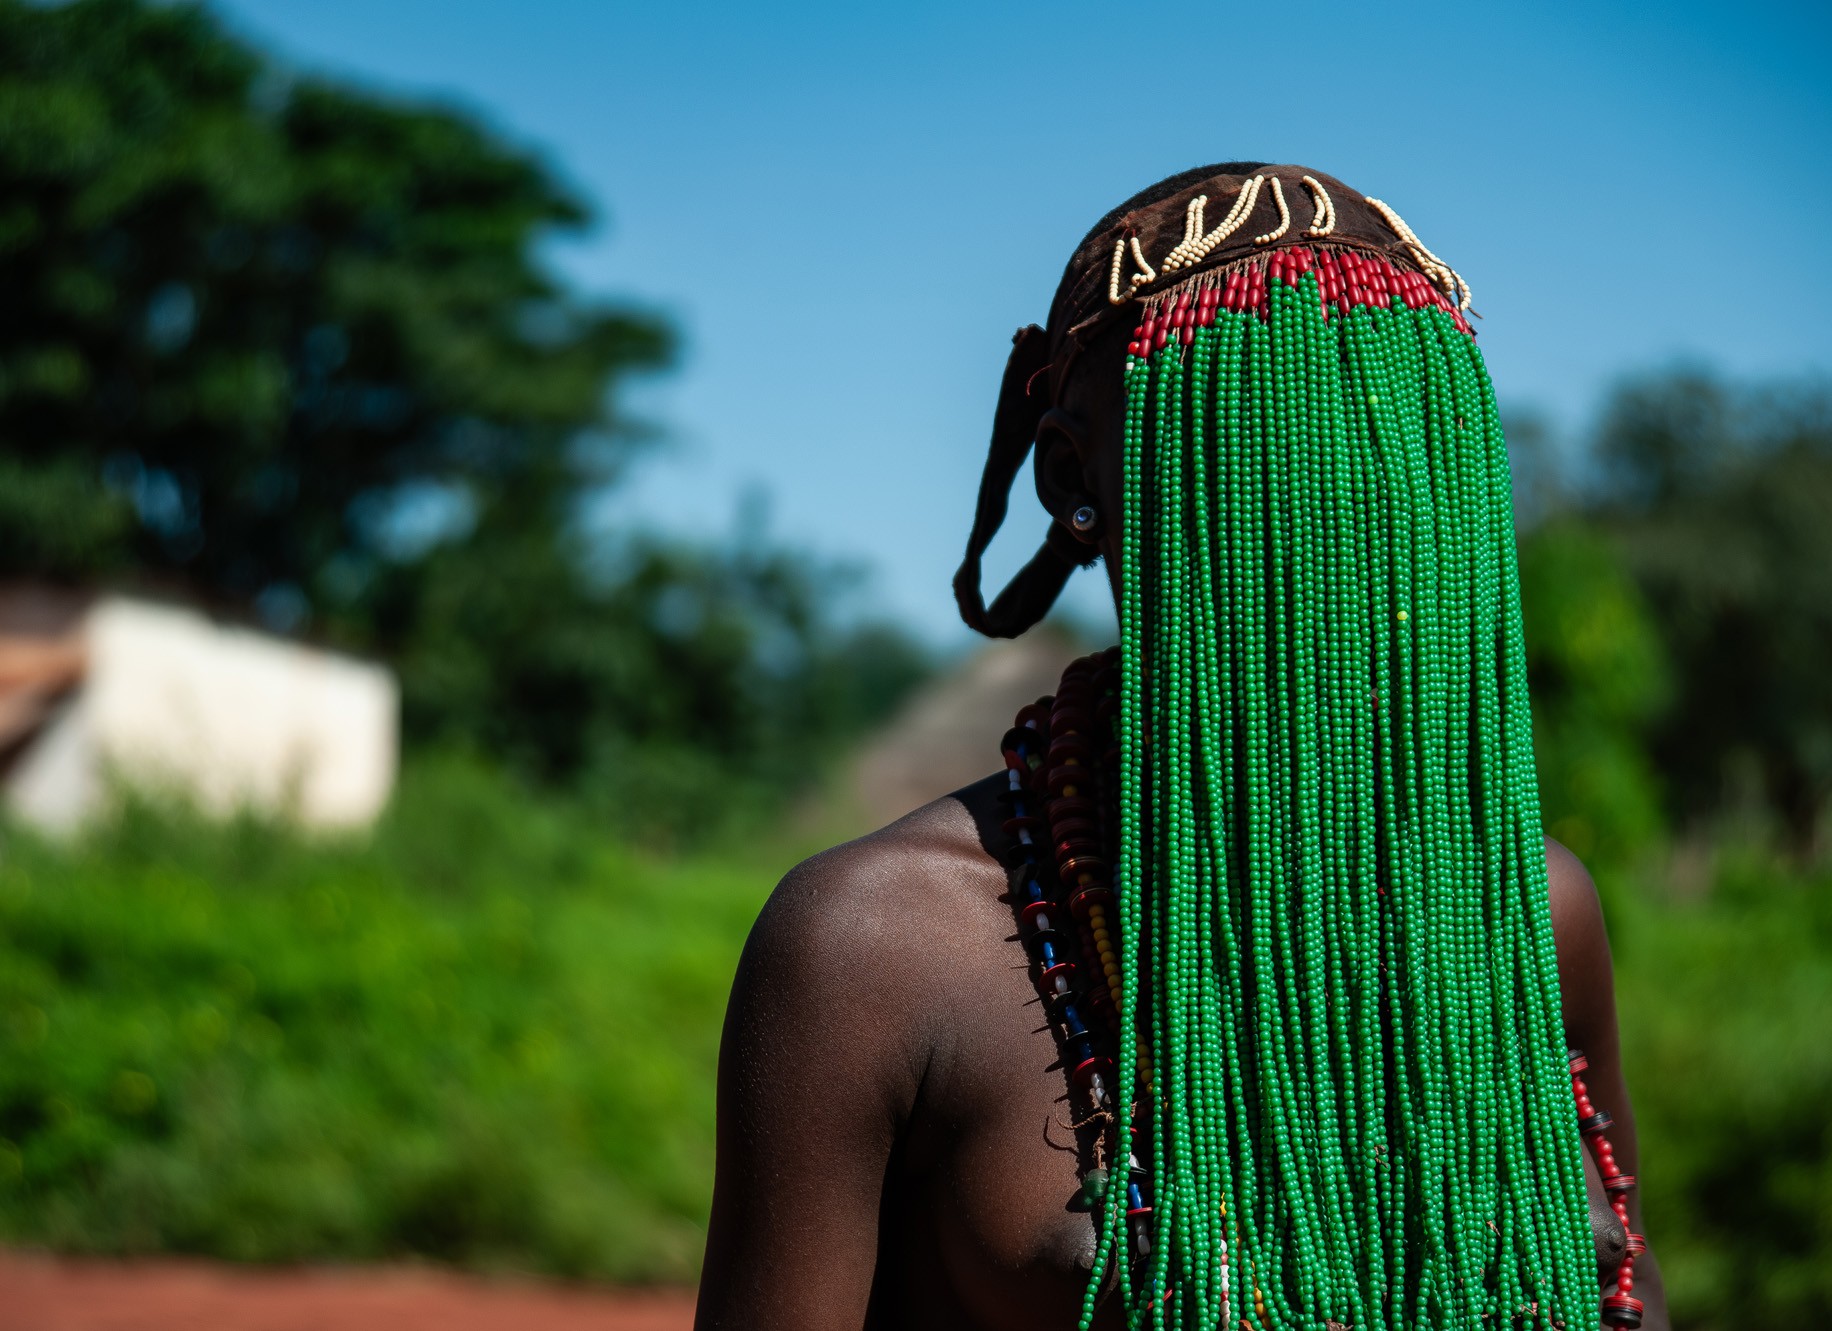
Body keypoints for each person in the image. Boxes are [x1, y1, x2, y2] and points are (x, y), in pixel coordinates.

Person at [694, 163, 1670, 1331]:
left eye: (1401, 461)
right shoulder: (874, 948)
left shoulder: (1524, 910)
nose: (1346, 527)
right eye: (1265, 468)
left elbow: (1630, 1294)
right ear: (1071, 477)